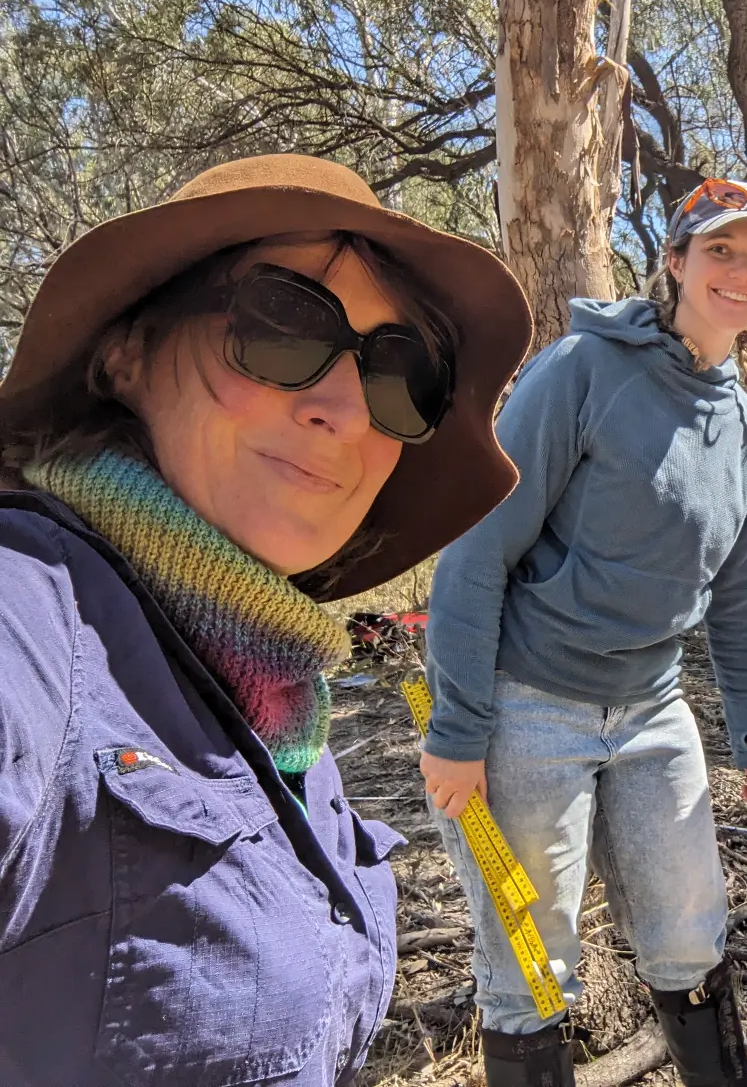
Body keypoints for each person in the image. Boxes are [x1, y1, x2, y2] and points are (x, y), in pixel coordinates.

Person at [0, 155, 531, 1084]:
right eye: (283, 326)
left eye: (399, 376)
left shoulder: (278, 693)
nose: (344, 410)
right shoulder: (30, 609)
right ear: (126, 353)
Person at [420, 179, 747, 1087]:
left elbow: (741, 603)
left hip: (654, 713)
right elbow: (475, 555)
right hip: (526, 707)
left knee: (688, 935)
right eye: (720, 251)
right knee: (528, 965)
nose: (741, 273)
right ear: (674, 261)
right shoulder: (583, 371)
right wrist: (457, 732)